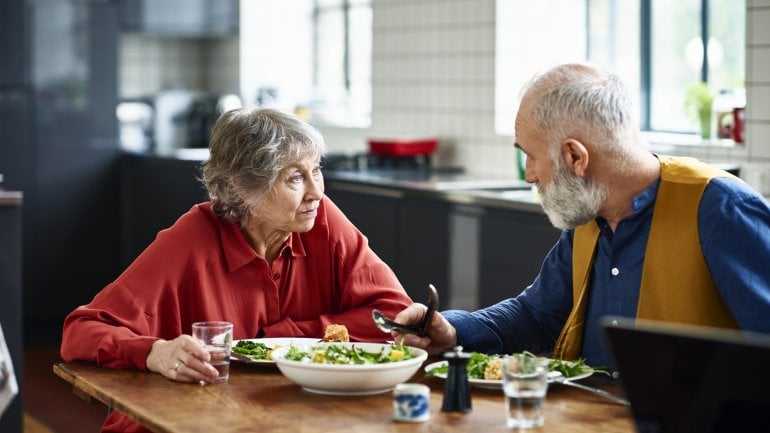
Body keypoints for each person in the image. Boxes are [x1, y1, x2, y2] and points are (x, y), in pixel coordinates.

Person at [393, 63, 770, 372]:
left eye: (531, 155)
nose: (529, 174)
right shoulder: (591, 213)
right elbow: (535, 315)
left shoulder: (721, 210)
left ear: (576, 157)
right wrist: (453, 330)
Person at [61, 107, 412, 433]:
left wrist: (285, 339)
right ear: (242, 187)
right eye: (294, 178)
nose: (316, 192)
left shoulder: (321, 219)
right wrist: (154, 352)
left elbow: (396, 316)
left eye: (316, 169)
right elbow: (82, 329)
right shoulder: (190, 240)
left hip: (285, 418)